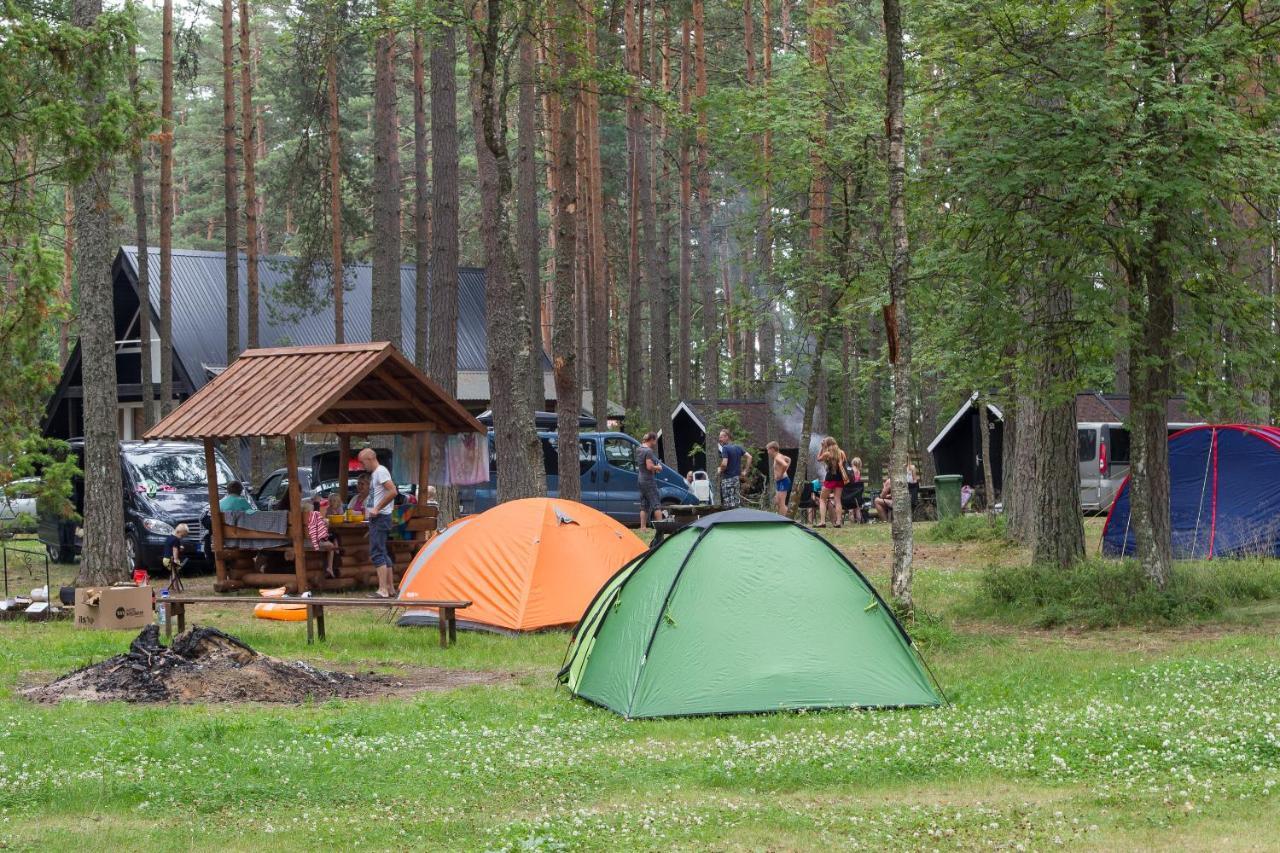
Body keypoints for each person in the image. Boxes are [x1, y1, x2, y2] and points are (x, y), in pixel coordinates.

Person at [360, 447, 398, 598]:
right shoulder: (377, 473)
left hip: (381, 516)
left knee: (376, 553)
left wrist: (376, 508)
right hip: (378, 518)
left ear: (370, 459)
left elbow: (393, 491)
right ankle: (390, 589)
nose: (363, 467)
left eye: (363, 463)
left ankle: (382, 589)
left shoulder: (380, 471)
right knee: (382, 551)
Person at [634, 432, 665, 531]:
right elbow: (649, 466)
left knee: (644, 504)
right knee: (656, 504)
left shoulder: (639, 449)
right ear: (651, 440)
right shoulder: (648, 451)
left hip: (640, 479)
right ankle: (661, 528)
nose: (655, 442)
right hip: (648, 480)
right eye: (655, 440)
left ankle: (643, 527)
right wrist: (658, 467)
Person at [307, 496, 341, 579]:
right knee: (331, 544)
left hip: (313, 539)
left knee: (332, 538)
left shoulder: (307, 513)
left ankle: (330, 567)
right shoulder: (314, 514)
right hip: (314, 541)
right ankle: (330, 567)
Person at [717, 429, 752, 509]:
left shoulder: (725, 448)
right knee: (736, 502)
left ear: (727, 437)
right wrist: (745, 471)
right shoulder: (738, 447)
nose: (720, 439)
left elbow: (724, 464)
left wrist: (720, 469)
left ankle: (729, 520)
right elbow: (749, 457)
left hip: (727, 480)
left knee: (728, 504)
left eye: (721, 437)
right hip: (736, 479)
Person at [818, 437, 848, 528]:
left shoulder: (827, 453)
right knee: (837, 499)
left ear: (827, 444)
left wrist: (822, 447)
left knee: (822, 499)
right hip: (840, 478)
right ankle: (838, 521)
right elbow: (845, 463)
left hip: (830, 478)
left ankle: (822, 521)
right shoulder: (842, 453)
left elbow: (818, 459)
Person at [766, 441, 792, 516]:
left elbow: (784, 464)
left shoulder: (777, 457)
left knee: (781, 503)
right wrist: (785, 471)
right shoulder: (780, 455)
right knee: (777, 501)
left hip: (783, 481)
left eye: (768, 450)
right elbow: (789, 459)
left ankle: (784, 520)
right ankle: (784, 516)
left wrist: (781, 474)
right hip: (780, 482)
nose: (767, 452)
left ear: (772, 449)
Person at [162, 523, 188, 592]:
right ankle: (176, 588)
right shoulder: (176, 540)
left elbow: (171, 547)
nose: (182, 538)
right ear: (178, 532)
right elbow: (174, 549)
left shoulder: (170, 537)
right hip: (171, 559)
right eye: (182, 536)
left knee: (173, 572)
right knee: (175, 573)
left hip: (165, 559)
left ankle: (172, 586)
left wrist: (179, 547)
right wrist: (176, 559)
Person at [842, 456, 865, 523]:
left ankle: (851, 522)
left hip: (849, 493)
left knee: (851, 509)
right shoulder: (858, 472)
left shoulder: (850, 470)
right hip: (857, 494)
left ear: (853, 462)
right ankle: (858, 521)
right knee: (857, 508)